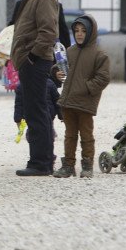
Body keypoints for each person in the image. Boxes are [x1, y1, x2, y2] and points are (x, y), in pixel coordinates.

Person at [10, 0, 61, 176]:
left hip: (36, 63)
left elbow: (48, 32)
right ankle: (41, 160)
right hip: (30, 62)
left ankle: (41, 163)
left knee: (37, 112)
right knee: (33, 111)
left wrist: (31, 57)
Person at [52, 15, 110, 179]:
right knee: (69, 136)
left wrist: (86, 88)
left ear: (91, 32)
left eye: (84, 31)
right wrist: (56, 72)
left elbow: (103, 78)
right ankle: (68, 165)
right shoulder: (70, 51)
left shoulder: (99, 55)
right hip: (68, 102)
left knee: (86, 136)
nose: (79, 34)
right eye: (76, 30)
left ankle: (87, 165)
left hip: (85, 103)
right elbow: (60, 66)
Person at [14, 74, 62, 170]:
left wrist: (18, 118)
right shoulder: (49, 83)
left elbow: (19, 104)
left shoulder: (21, 85)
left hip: (40, 115)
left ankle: (47, 156)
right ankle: (47, 156)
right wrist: (61, 115)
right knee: (46, 135)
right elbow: (57, 101)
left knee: (41, 135)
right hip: (46, 114)